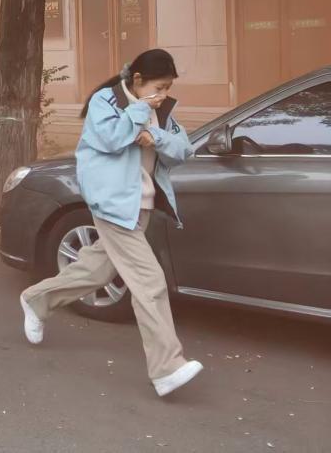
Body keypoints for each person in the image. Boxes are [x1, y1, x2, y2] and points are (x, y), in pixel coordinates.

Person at [19, 49, 202, 398]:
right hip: (112, 205)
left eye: (167, 88)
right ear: (138, 80)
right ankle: (167, 368)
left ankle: (36, 300)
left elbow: (184, 149)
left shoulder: (160, 111)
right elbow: (112, 140)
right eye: (159, 88)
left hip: (141, 206)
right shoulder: (107, 101)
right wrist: (140, 111)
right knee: (149, 281)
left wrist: (157, 137)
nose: (163, 95)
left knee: (97, 271)